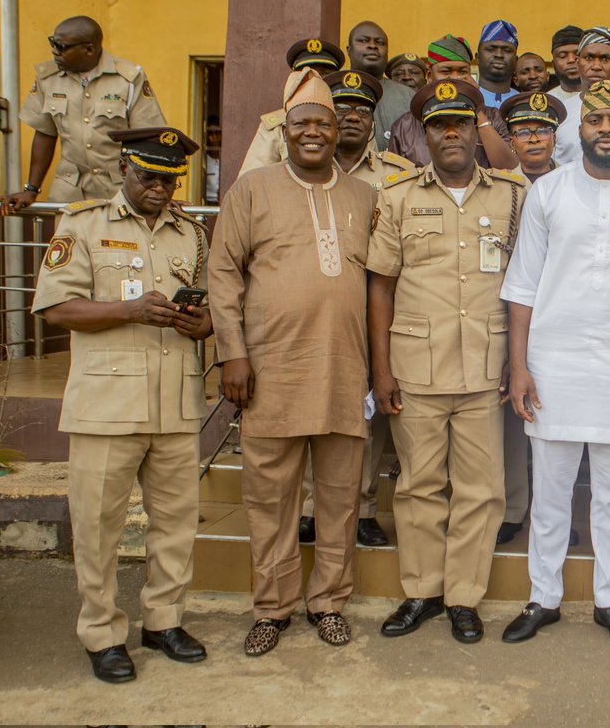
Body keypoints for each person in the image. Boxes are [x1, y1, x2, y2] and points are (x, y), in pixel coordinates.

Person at [499, 80, 610, 648]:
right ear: (578, 131)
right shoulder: (548, 193)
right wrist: (520, 365)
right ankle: (543, 597)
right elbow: (523, 285)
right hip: (553, 363)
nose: (606, 128)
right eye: (596, 119)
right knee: (550, 489)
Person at [32, 127, 211, 683]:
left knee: (176, 526)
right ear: (125, 171)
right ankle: (103, 632)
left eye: (169, 179)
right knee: (98, 528)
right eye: (149, 176)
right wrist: (129, 312)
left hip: (176, 402)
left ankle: (163, 621)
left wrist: (199, 322)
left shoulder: (193, 234)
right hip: (107, 404)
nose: (160, 188)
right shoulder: (83, 225)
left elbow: (210, 316)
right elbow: (56, 307)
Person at [209, 69, 375, 656]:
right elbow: (223, 274)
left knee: (339, 496)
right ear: (284, 131)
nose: (313, 132)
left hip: (344, 371)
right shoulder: (251, 189)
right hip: (271, 370)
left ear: (339, 132)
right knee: (270, 497)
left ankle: (328, 601)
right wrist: (233, 352)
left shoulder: (366, 195)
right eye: (301, 122)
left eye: (323, 123)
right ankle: (272, 607)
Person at [368, 79, 527, 644]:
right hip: (416, 366)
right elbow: (380, 286)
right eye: (439, 124)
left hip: (487, 366)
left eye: (461, 121)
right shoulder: (397, 196)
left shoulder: (512, 195)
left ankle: (463, 597)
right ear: (424, 133)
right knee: (418, 485)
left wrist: (520, 361)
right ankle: (422, 593)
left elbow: (526, 285)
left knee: (481, 488)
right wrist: (380, 371)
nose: (452, 133)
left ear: (477, 129)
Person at [296, 70, 412, 549]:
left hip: (374, 309)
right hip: (316, 309)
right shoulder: (299, 172)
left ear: (373, 121)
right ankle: (309, 509)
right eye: (342, 109)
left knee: (371, 418)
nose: (351, 118)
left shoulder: (394, 175)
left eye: (362, 111)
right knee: (313, 410)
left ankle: (362, 510)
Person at [0, 16, 165, 210]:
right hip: (68, 192)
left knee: (116, 242)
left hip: (118, 193)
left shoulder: (128, 79)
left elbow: (150, 139)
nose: (54, 51)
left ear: (89, 49)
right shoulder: (48, 79)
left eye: (62, 47)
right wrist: (31, 189)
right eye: (53, 43)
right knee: (67, 241)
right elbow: (44, 134)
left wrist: (154, 189)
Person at [496, 91, 567, 545]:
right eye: (523, 131)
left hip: (562, 320)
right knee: (510, 420)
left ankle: (555, 514)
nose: (533, 138)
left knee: (557, 418)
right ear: (512, 140)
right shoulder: (498, 187)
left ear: (556, 136)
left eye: (542, 129)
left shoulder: (579, 184)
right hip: (507, 315)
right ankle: (514, 506)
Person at [387, 35, 518, 170]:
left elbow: (509, 168)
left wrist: (475, 109)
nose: (456, 78)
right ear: (429, 76)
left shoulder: (492, 116)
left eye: (463, 71)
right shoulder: (405, 125)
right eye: (446, 71)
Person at [239, 38, 345, 174]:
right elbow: (250, 181)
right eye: (306, 74)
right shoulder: (276, 126)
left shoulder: (352, 120)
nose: (315, 79)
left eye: (324, 73)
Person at [552, 26, 610, 166]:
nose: (596, 66)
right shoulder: (560, 112)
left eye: (605, 59)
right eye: (589, 58)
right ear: (578, 62)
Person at [345, 20, 413, 149]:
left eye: (380, 43)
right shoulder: (333, 90)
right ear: (349, 50)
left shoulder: (407, 95)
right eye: (363, 41)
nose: (372, 46)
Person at [476, 19, 520, 110]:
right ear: (478, 57)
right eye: (491, 49)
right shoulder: (466, 96)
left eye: (507, 50)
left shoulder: (523, 103)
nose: (499, 55)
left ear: (516, 60)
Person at [547, 25, 583, 101]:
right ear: (553, 64)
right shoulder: (548, 102)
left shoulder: (606, 98)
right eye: (562, 56)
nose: (571, 60)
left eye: (577, 54)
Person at [203, 117, 222, 204]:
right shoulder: (203, 160)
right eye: (211, 133)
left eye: (217, 133)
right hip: (207, 202)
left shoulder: (227, 159)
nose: (215, 137)